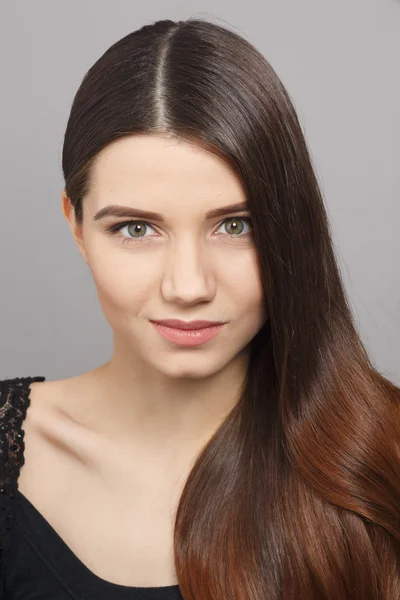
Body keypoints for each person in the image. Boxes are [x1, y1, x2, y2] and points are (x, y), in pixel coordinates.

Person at [0, 17, 399, 600]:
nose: (188, 285)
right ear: (77, 227)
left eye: (235, 225)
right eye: (136, 228)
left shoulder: (381, 453)